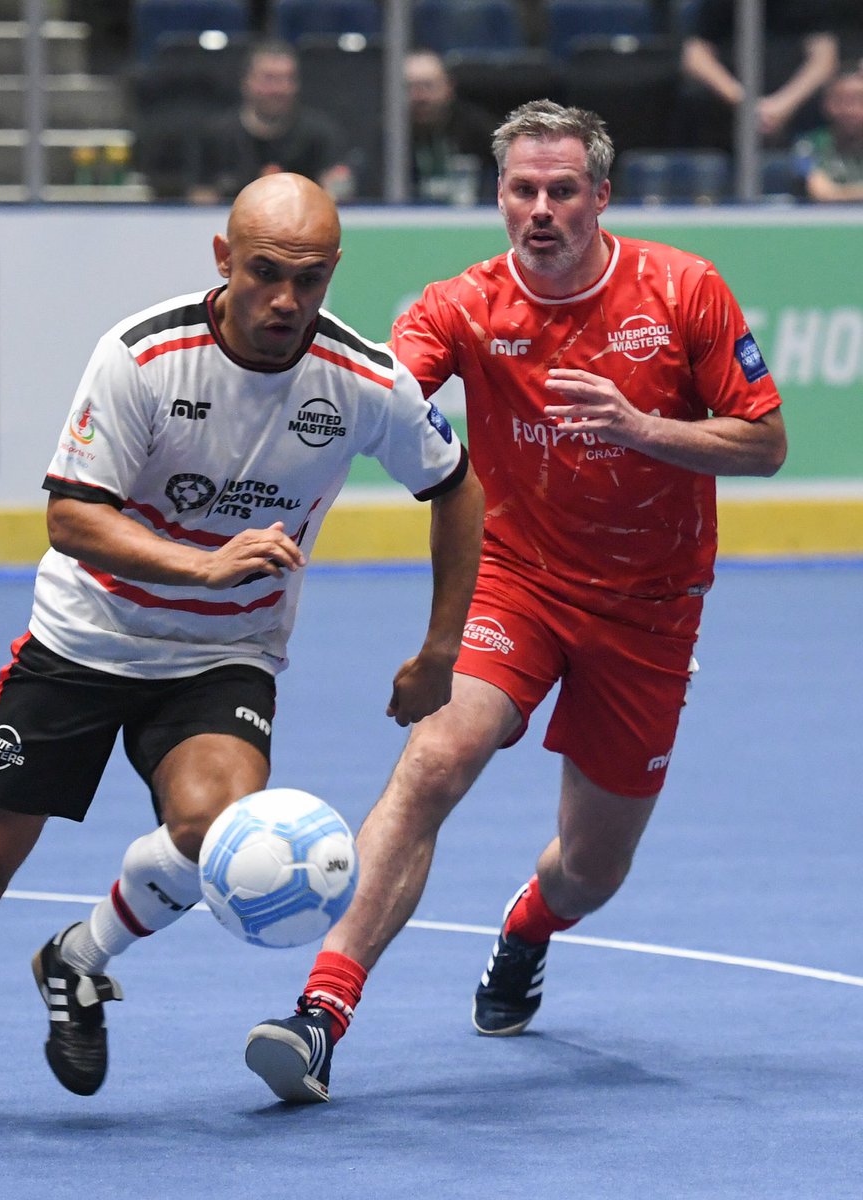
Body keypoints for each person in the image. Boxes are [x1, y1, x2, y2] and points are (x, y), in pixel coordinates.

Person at [0, 172, 484, 1121]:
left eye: (312, 279)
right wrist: (199, 567)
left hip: (223, 657)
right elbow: (71, 518)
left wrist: (441, 647)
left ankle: (80, 960)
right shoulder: (141, 356)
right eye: (264, 274)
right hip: (84, 640)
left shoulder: (364, 381)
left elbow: (455, 485)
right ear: (222, 259)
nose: (287, 301)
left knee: (217, 832)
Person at [245, 99, 787, 1105]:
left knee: (590, 869)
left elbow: (764, 442)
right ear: (499, 196)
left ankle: (528, 927)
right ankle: (318, 1014)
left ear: (600, 197)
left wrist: (641, 429)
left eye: (562, 190)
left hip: (651, 607)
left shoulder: (682, 290)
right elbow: (378, 395)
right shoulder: (460, 306)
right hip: (517, 581)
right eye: (521, 190)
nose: (540, 209)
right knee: (437, 759)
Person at [188, 40, 354, 204]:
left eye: (288, 79)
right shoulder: (216, 135)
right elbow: (201, 198)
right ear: (247, 82)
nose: (279, 89)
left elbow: (339, 192)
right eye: (269, 79)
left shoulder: (321, 135)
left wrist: (336, 188)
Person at [679, 0, 842, 150]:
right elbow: (695, 56)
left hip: (795, 114)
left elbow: (824, 60)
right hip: (728, 114)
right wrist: (744, 101)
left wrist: (781, 106)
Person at [405, 49, 497, 204]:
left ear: (448, 87)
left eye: (428, 86)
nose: (419, 97)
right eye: (410, 87)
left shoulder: (476, 127)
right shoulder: (389, 134)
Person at [794, 69, 863, 201]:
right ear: (826, 104)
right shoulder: (808, 144)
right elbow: (823, 193)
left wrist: (840, 192)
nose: (850, 109)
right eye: (841, 100)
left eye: (859, 100)